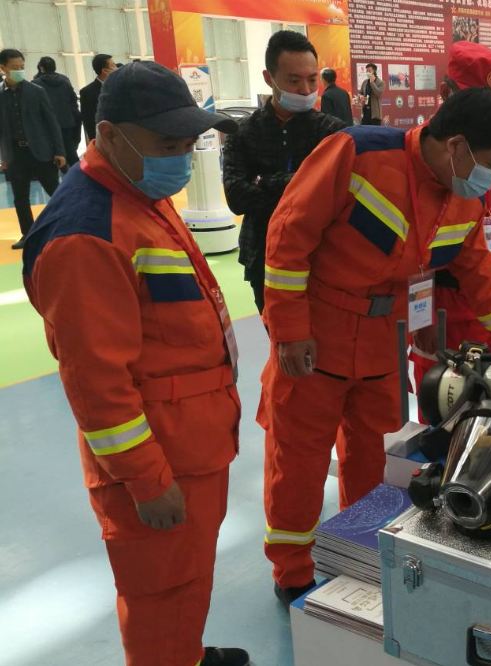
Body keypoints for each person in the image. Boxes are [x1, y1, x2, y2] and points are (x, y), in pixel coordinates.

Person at [259, 86, 491, 604]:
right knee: (299, 462)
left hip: (383, 342)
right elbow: (288, 238)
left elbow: (480, 275)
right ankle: (291, 569)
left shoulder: (463, 198)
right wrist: (290, 331)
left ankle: (356, 552)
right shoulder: (357, 154)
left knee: (369, 458)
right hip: (316, 338)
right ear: (456, 145)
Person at [21, 60, 247, 666]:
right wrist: (147, 479)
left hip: (192, 438)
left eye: (188, 144)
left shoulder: (139, 191)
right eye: (168, 144)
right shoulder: (86, 236)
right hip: (158, 455)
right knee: (161, 590)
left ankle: (185, 654)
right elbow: (96, 383)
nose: (182, 157)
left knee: (187, 574)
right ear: (109, 135)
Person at [410, 40, 491, 408]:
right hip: (442, 310)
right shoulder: (426, 160)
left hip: (488, 295)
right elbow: (412, 252)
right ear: (446, 94)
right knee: (444, 406)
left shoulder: (487, 157)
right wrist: (421, 317)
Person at [222, 30, 347, 314]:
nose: (305, 89)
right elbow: (236, 197)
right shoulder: (243, 132)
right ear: (269, 78)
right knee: (277, 334)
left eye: (312, 79)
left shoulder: (333, 132)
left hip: (323, 257)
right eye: (293, 80)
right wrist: (303, 191)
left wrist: (265, 181)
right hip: (262, 256)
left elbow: (335, 192)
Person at [0, 49, 65, 250]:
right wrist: (3, 156)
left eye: (22, 67)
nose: (20, 70)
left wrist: (59, 151)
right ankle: (27, 235)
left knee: (56, 193)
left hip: (41, 151)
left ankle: (66, 229)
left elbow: (51, 123)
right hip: (15, 155)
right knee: (20, 198)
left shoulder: (36, 91)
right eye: (15, 67)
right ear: (3, 68)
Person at [33, 56, 81, 171]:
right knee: (70, 150)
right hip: (67, 121)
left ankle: (61, 171)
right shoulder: (65, 80)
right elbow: (73, 100)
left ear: (41, 68)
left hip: (47, 125)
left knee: (52, 152)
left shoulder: (35, 84)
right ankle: (76, 173)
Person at [80, 53, 116, 142]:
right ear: (105, 70)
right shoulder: (87, 92)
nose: (117, 68)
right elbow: (89, 121)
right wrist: (96, 142)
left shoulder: (119, 86)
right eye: (113, 66)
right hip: (104, 139)